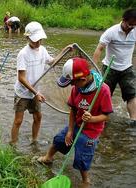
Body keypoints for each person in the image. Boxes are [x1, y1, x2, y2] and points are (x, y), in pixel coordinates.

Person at [37, 57, 113, 185]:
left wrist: (92, 118)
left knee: (82, 157)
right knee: (60, 139)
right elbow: (72, 110)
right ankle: (48, 157)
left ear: (82, 79)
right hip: (77, 124)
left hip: (91, 132)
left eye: (72, 82)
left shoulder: (103, 90)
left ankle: (85, 181)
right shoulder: (77, 88)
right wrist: (70, 130)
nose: (71, 85)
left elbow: (106, 116)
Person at [10, 21, 72, 145]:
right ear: (27, 38)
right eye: (35, 40)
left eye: (40, 40)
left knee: (38, 117)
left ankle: (34, 141)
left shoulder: (42, 50)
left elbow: (52, 62)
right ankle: (13, 144)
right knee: (18, 121)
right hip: (23, 93)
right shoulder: (23, 54)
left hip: (35, 93)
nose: (38, 43)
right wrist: (36, 92)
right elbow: (21, 78)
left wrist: (64, 50)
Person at [93, 8, 136, 126]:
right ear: (123, 20)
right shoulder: (111, 32)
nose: (132, 27)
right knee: (104, 94)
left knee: (131, 94)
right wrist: (94, 69)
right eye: (130, 24)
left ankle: (133, 121)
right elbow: (99, 49)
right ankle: (101, 118)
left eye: (134, 25)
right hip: (109, 68)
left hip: (127, 68)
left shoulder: (135, 30)